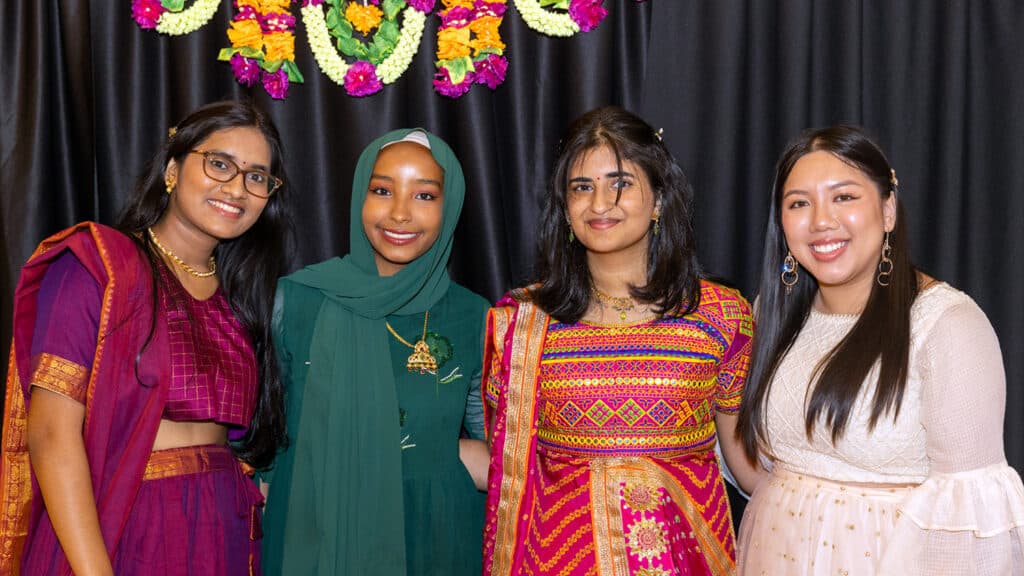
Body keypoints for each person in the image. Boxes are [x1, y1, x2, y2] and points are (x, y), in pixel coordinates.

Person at [0, 100, 290, 575]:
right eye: (219, 164)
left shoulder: (241, 301)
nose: (236, 188)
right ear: (173, 169)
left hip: (227, 534)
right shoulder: (99, 267)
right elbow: (52, 434)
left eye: (256, 177)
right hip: (127, 528)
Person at [482, 106, 761, 576]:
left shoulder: (722, 314)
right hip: (557, 561)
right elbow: (507, 463)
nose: (599, 204)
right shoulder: (521, 322)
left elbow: (744, 460)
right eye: (582, 187)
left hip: (687, 557)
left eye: (621, 183)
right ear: (565, 210)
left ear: (657, 200)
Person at [735, 125, 1024, 575]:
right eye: (799, 203)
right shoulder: (771, 315)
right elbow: (767, 473)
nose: (821, 221)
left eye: (844, 197)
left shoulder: (947, 326)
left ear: (888, 209)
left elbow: (969, 523)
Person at [261, 129, 489, 575]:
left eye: (424, 196)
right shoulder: (297, 300)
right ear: (358, 195)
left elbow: (495, 442)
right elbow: (268, 430)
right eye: (382, 190)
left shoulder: (473, 315)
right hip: (318, 527)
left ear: (451, 207)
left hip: (435, 533)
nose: (400, 213)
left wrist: (447, 450)